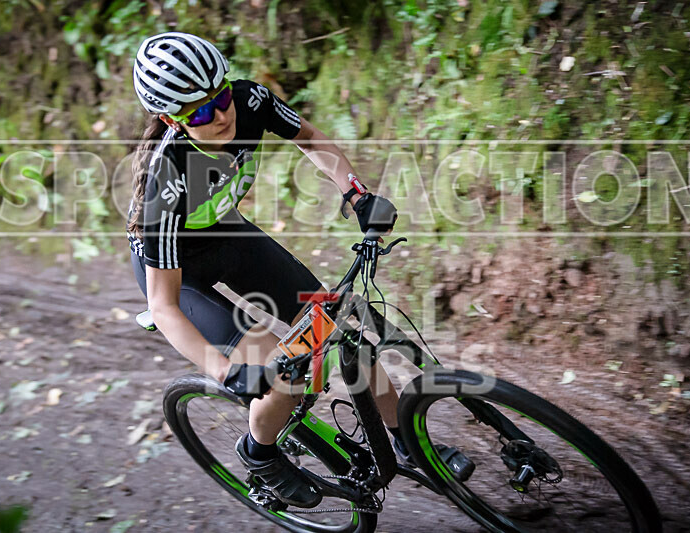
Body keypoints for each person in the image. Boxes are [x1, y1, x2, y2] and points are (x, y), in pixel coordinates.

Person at [127, 32, 471, 509]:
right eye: (200, 113)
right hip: (180, 276)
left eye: (220, 97)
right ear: (170, 119)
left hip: (228, 235)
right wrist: (224, 371)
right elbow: (163, 306)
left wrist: (356, 193)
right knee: (285, 370)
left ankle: (406, 443)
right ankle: (259, 453)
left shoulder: (249, 99)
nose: (222, 114)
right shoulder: (165, 182)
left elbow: (308, 137)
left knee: (338, 329)